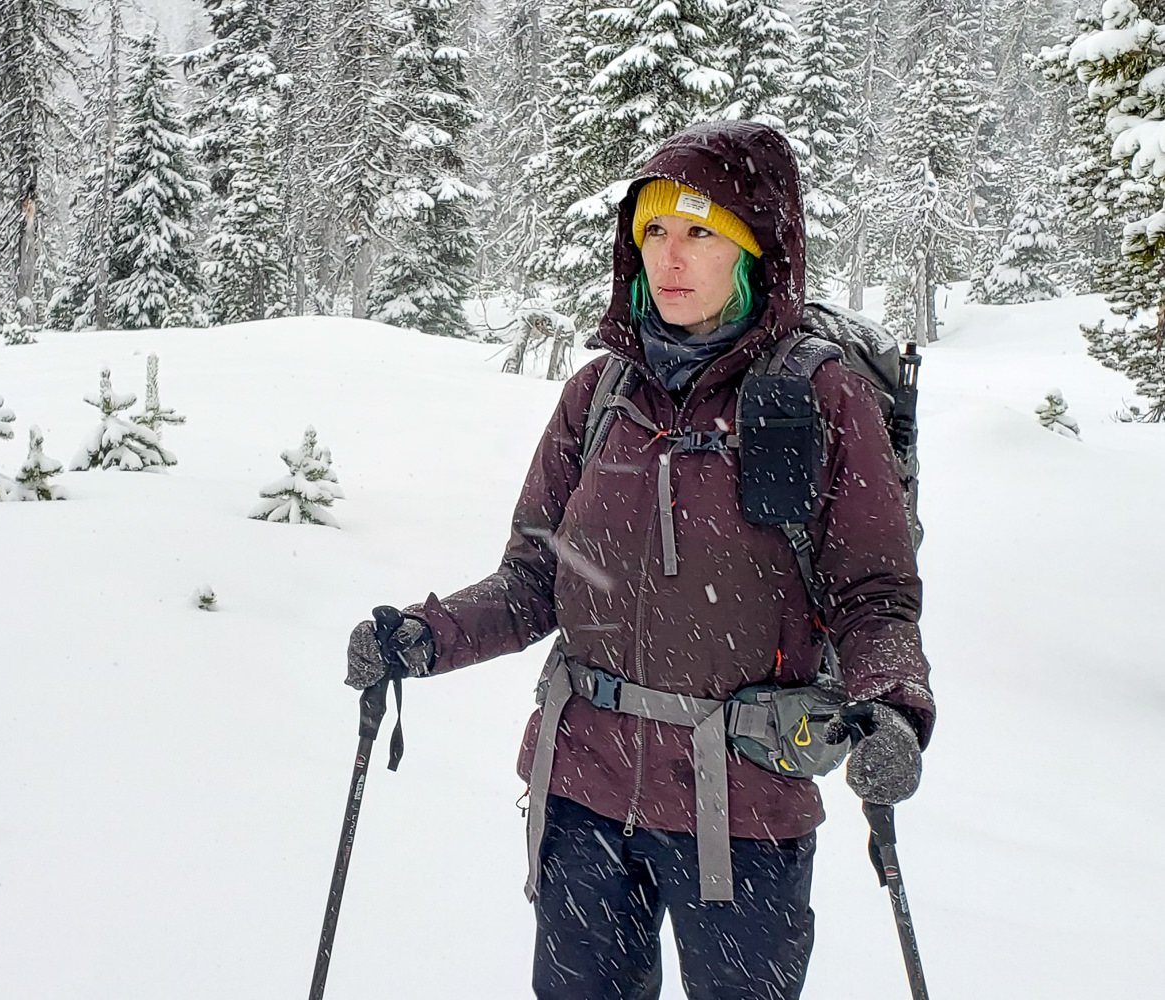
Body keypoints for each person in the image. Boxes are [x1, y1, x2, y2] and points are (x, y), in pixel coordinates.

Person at [344, 120, 935, 1000]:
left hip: (741, 802)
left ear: (754, 252)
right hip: (583, 789)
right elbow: (537, 577)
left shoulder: (818, 397)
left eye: (701, 232)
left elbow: (874, 592)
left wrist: (890, 707)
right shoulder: (600, 394)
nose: (670, 256)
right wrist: (426, 635)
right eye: (653, 231)